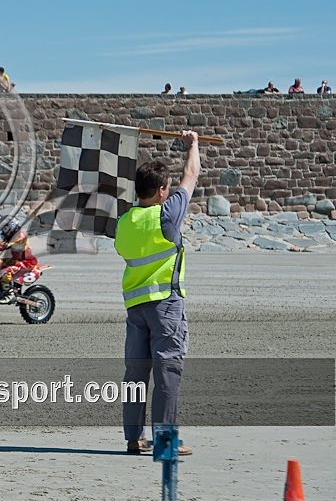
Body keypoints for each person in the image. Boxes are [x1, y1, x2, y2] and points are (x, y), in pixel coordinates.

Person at [114, 130, 200, 457]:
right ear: (162, 190)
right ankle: (164, 441)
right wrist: (193, 144)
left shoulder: (125, 221)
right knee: (167, 373)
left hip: (135, 305)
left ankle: (133, 438)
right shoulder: (166, 214)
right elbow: (191, 175)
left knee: (135, 374)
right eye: (167, 188)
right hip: (165, 304)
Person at [0, 218, 38, 301]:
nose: (3, 231)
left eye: (5, 228)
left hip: (26, 262)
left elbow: (7, 245)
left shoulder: (21, 235)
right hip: (14, 260)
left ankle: (10, 293)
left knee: (6, 271)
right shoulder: (10, 236)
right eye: (3, 228)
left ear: (11, 226)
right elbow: (2, 244)